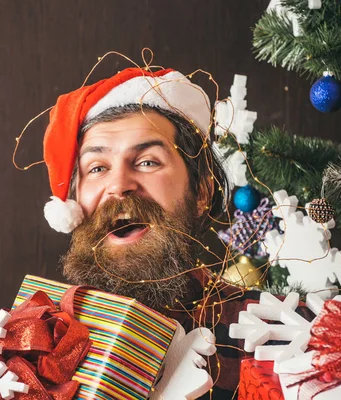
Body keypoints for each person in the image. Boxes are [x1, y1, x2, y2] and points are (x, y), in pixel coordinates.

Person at [25, 65, 259, 399]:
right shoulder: (30, 335)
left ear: (202, 194)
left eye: (148, 162)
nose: (118, 186)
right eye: (97, 168)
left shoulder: (270, 332)